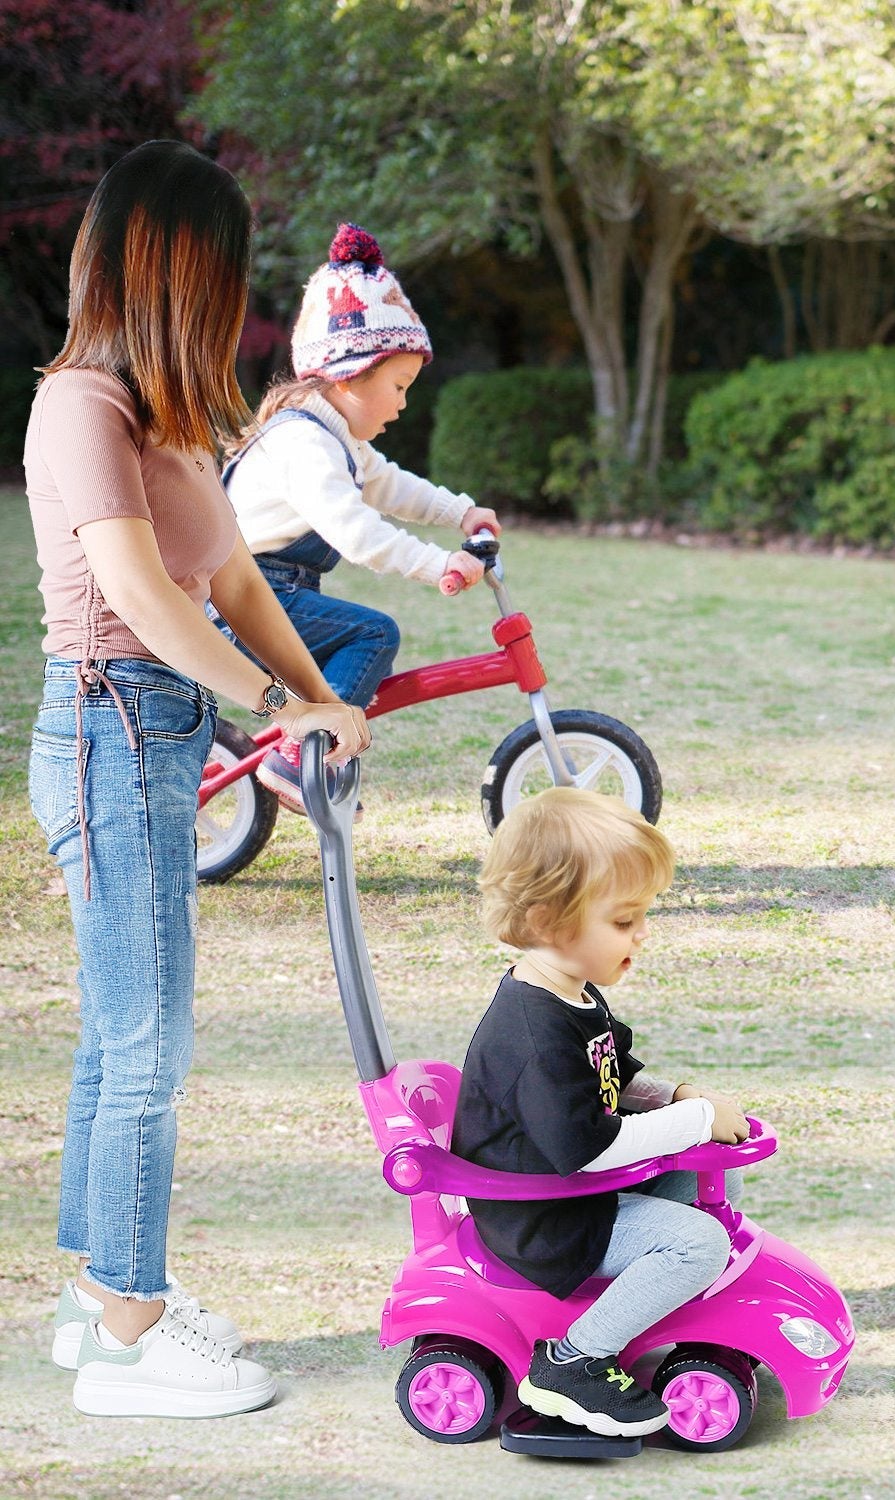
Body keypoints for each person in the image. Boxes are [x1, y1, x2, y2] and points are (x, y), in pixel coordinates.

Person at [25, 140, 371, 1419]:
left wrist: (320, 700)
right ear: (176, 270)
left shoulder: (168, 418)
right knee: (146, 1044)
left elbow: (235, 586)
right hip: (108, 727)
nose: (239, 298)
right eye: (225, 270)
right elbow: (137, 594)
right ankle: (129, 1333)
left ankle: (100, 1300)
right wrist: (277, 709)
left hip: (156, 737)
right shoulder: (82, 407)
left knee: (122, 1036)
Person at [452, 789, 750, 1438]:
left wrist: (677, 1096)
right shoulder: (533, 1034)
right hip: (545, 1220)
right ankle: (574, 1360)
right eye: (622, 920)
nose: (641, 933)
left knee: (713, 1171)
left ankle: (663, 1295)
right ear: (549, 921)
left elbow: (617, 1074)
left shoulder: (573, 993)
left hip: (574, 1194)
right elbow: (589, 1147)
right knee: (699, 1241)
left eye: (642, 915)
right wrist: (695, 1120)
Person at [220, 222, 499, 814]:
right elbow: (356, 533)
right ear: (350, 375)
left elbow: (390, 485)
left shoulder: (336, 435)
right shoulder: (304, 443)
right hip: (244, 599)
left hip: (271, 594)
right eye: (398, 385)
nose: (403, 402)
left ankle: (309, 746)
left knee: (352, 644)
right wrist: (437, 564)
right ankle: (306, 756)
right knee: (372, 634)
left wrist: (460, 511)